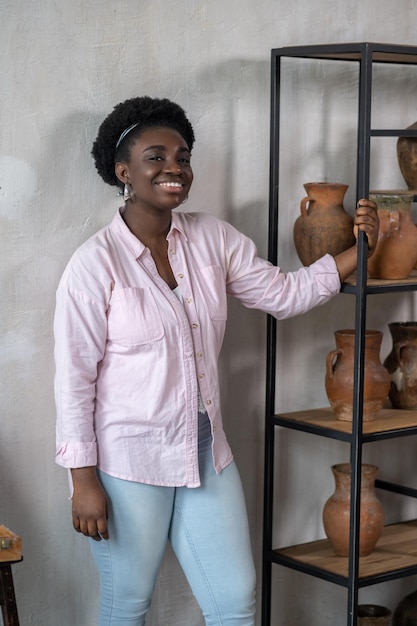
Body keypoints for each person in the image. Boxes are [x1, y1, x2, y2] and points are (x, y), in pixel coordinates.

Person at [54, 96, 379, 626]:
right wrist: (82, 481)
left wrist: (361, 249)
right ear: (123, 172)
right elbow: (74, 380)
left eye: (182, 157)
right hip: (128, 462)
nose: (174, 168)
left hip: (206, 453)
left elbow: (284, 294)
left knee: (234, 602)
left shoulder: (213, 238)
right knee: (128, 604)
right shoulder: (94, 265)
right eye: (155, 157)